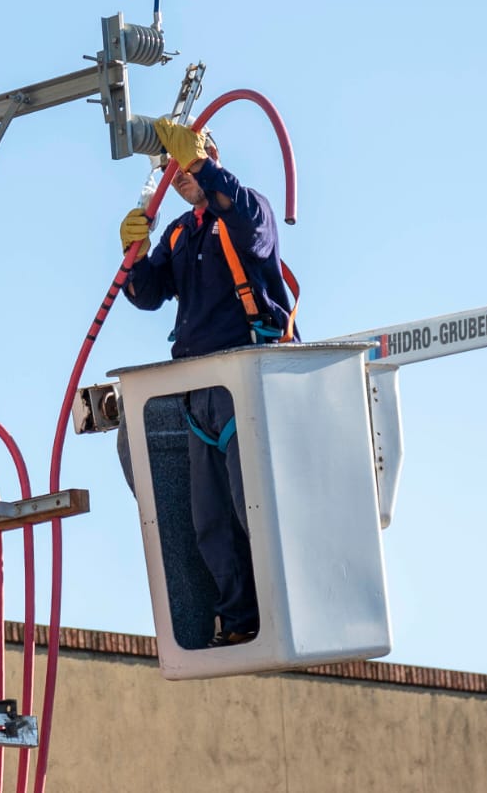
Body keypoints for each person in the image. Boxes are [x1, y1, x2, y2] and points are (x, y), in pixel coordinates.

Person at [118, 117, 297, 647]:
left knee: (253, 505)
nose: (180, 178)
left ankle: (283, 610)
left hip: (246, 381)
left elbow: (244, 220)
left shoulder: (246, 210)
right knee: (211, 519)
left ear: (209, 155)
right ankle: (239, 617)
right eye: (174, 173)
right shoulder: (181, 232)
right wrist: (134, 257)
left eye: (186, 166)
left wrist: (200, 163)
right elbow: (151, 294)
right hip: (202, 391)